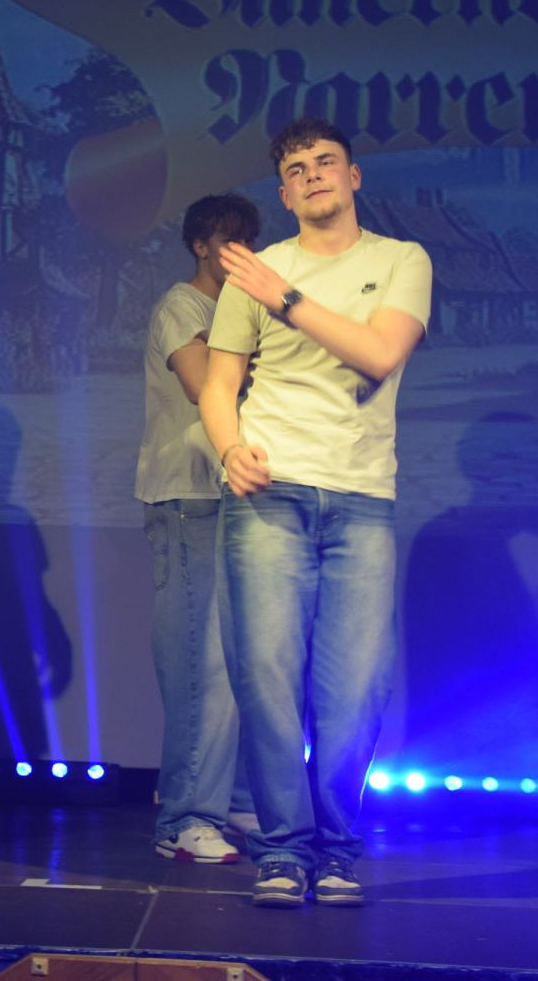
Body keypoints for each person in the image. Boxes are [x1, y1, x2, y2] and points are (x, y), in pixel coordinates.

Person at [198, 115, 432, 909]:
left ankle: (335, 849)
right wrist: (228, 448)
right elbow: (217, 384)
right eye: (296, 170)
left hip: (360, 497)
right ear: (284, 191)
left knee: (355, 690)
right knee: (265, 680)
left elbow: (379, 353)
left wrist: (286, 298)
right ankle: (281, 849)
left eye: (325, 162)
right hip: (271, 490)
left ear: (353, 176)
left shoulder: (399, 259)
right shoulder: (258, 269)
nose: (312, 176)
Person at [135, 193, 261, 864]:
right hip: (186, 499)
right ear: (199, 246)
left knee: (237, 662)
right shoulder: (181, 307)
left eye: (247, 241)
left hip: (231, 498)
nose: (237, 253)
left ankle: (230, 798)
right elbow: (200, 383)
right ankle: (183, 818)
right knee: (198, 666)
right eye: (225, 240)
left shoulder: (244, 310)